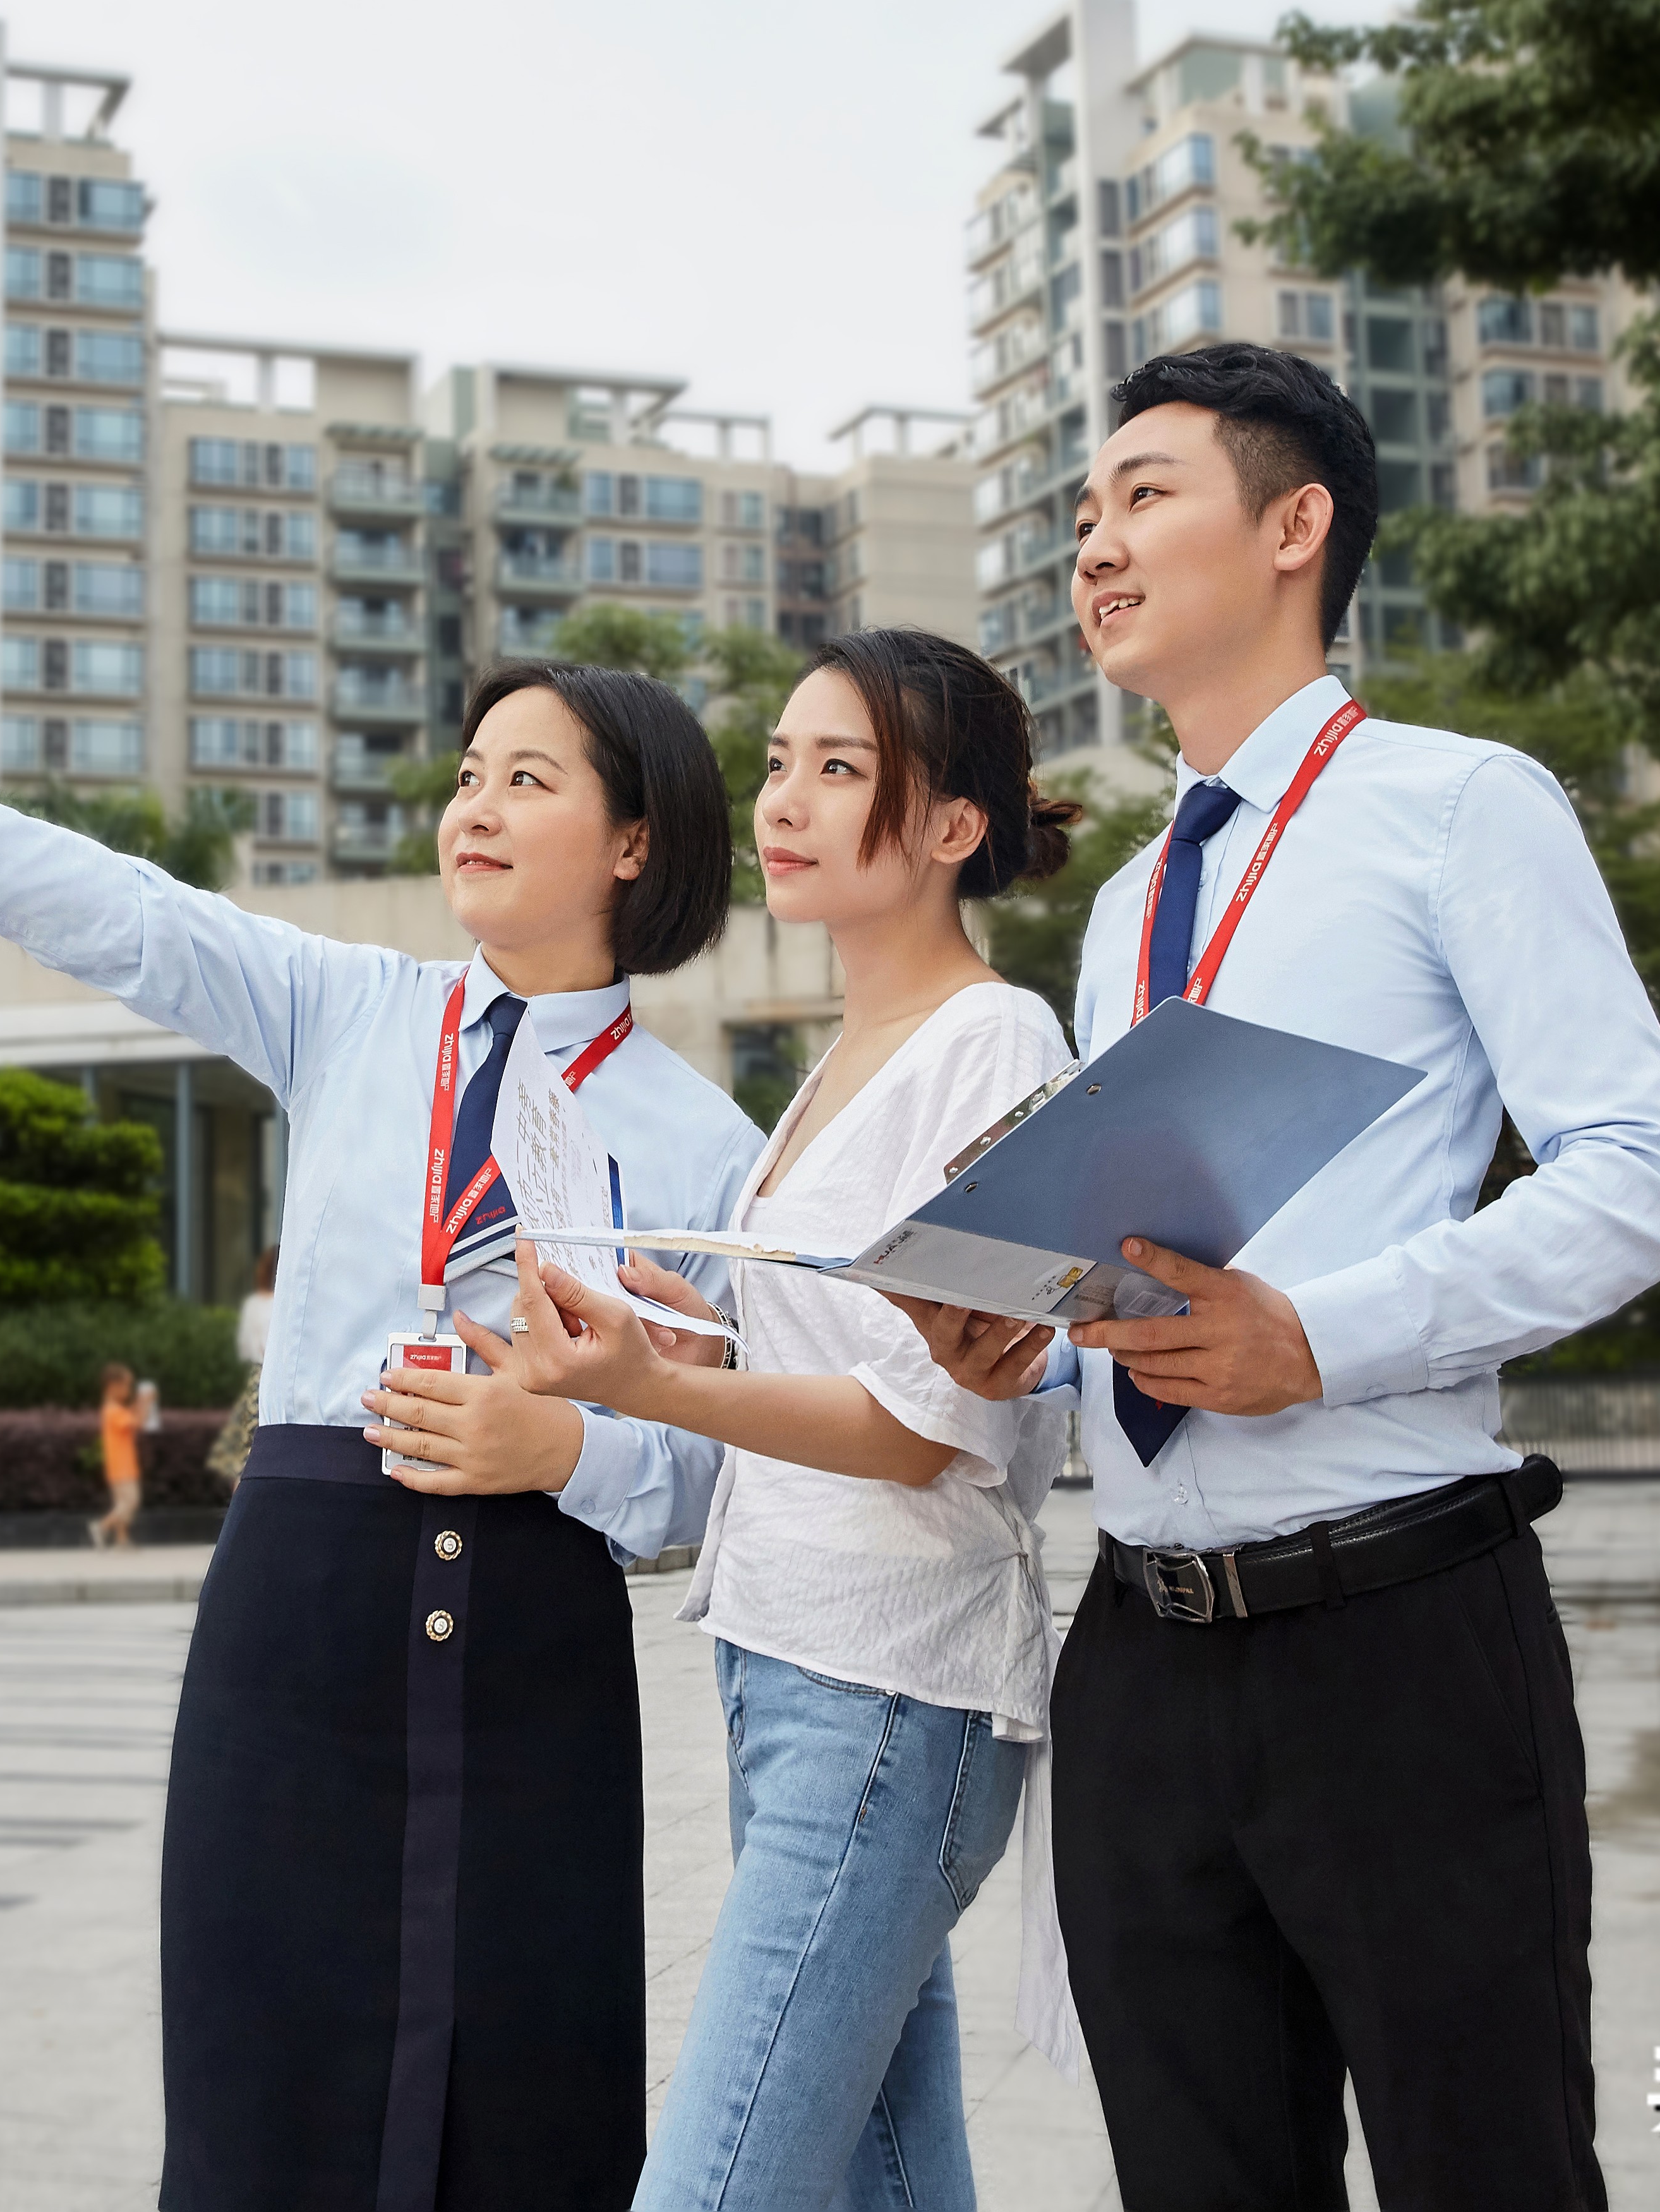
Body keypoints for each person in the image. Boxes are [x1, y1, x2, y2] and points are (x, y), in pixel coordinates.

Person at [0, 639, 762, 2211]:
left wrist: (570, 1451)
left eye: (528, 779)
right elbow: (112, 904)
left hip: (537, 1633)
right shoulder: (346, 1010)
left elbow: (714, 1459)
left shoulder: (701, 1142)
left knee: (530, 2081)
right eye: (468, 776)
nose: (474, 805)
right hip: (300, 1605)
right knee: (263, 2067)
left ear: (635, 838)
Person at [899, 344, 1660, 2209]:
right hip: (1144, 1655)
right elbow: (1158, 1249)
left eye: (1144, 494)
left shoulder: (1458, 804)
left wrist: (1319, 1337)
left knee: (1482, 2168)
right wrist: (1022, 1326)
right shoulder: (1124, 907)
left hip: (1398, 1637)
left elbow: (1648, 1174)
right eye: (1084, 509)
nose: (1094, 541)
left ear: (1294, 525)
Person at [479, 628, 1080, 2212]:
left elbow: (930, 1420)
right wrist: (655, 1323)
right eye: (775, 765)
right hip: (785, 1665)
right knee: (883, 2173)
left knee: (715, 2180)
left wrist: (653, 1384)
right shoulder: (838, 1061)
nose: (784, 801)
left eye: (840, 769)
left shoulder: (994, 1044)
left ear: (952, 826)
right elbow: (826, 1342)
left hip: (890, 1688)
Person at [208, 1247, 278, 1490]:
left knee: (246, 1450)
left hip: (257, 1377)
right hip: (279, 1379)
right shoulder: (286, 1305)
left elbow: (245, 1348)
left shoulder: (253, 1305)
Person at [91, 1361, 147, 1549]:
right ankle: (102, 1526)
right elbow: (137, 1423)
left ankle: (121, 1540)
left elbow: (131, 1418)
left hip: (120, 1465)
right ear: (113, 1386)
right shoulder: (113, 1411)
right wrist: (145, 1403)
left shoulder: (114, 1409)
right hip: (122, 1465)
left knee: (121, 1502)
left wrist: (138, 1405)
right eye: (126, 1385)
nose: (128, 1390)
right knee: (131, 1501)